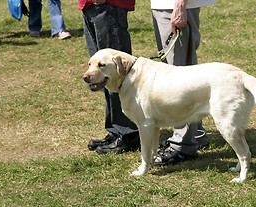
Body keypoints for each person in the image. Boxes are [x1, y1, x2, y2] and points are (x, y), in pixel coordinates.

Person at [151, 0, 215, 166]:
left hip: (175, 5)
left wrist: (180, 5)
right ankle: (195, 134)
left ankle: (183, 143)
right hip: (164, 5)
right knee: (175, 73)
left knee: (179, 78)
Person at [79, 0, 140, 154]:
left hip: (108, 4)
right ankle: (116, 130)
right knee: (102, 73)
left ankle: (128, 133)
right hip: (90, 5)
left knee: (117, 73)